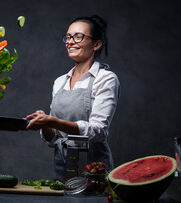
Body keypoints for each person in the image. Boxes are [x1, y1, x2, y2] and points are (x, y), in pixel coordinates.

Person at [25, 15, 120, 182]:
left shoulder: (106, 79)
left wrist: (51, 120)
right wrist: (46, 124)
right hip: (62, 166)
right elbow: (53, 139)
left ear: (96, 44)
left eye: (78, 36)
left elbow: (97, 131)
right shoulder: (59, 82)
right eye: (68, 37)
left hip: (94, 170)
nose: (70, 42)